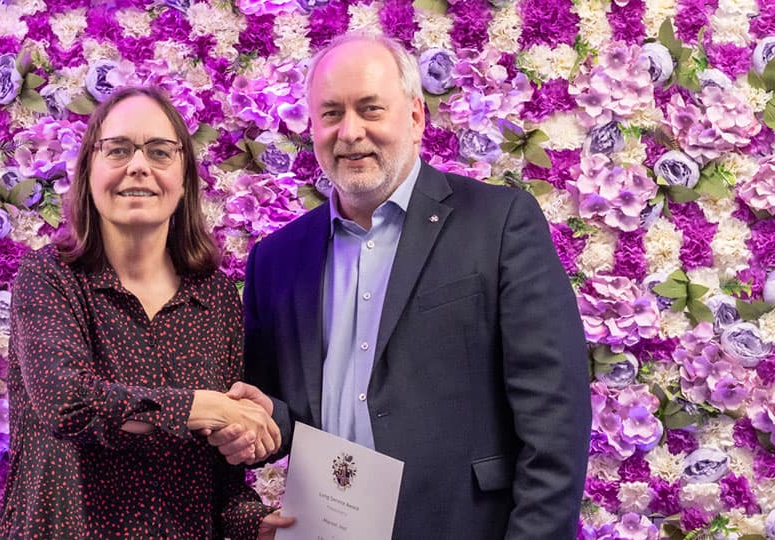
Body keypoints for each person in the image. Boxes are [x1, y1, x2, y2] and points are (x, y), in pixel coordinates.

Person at [209, 35, 591, 539]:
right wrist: (260, 421)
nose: (350, 132)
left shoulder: (497, 224)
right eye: (330, 113)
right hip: (330, 528)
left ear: (414, 117)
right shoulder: (276, 258)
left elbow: (555, 419)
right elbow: (285, 409)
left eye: (371, 109)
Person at [0, 87, 293, 538]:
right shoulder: (49, 278)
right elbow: (67, 404)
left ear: (183, 179)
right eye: (117, 150)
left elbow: (219, 477)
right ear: (88, 171)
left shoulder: (214, 299)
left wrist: (255, 524)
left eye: (159, 151)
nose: (138, 165)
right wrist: (202, 406)